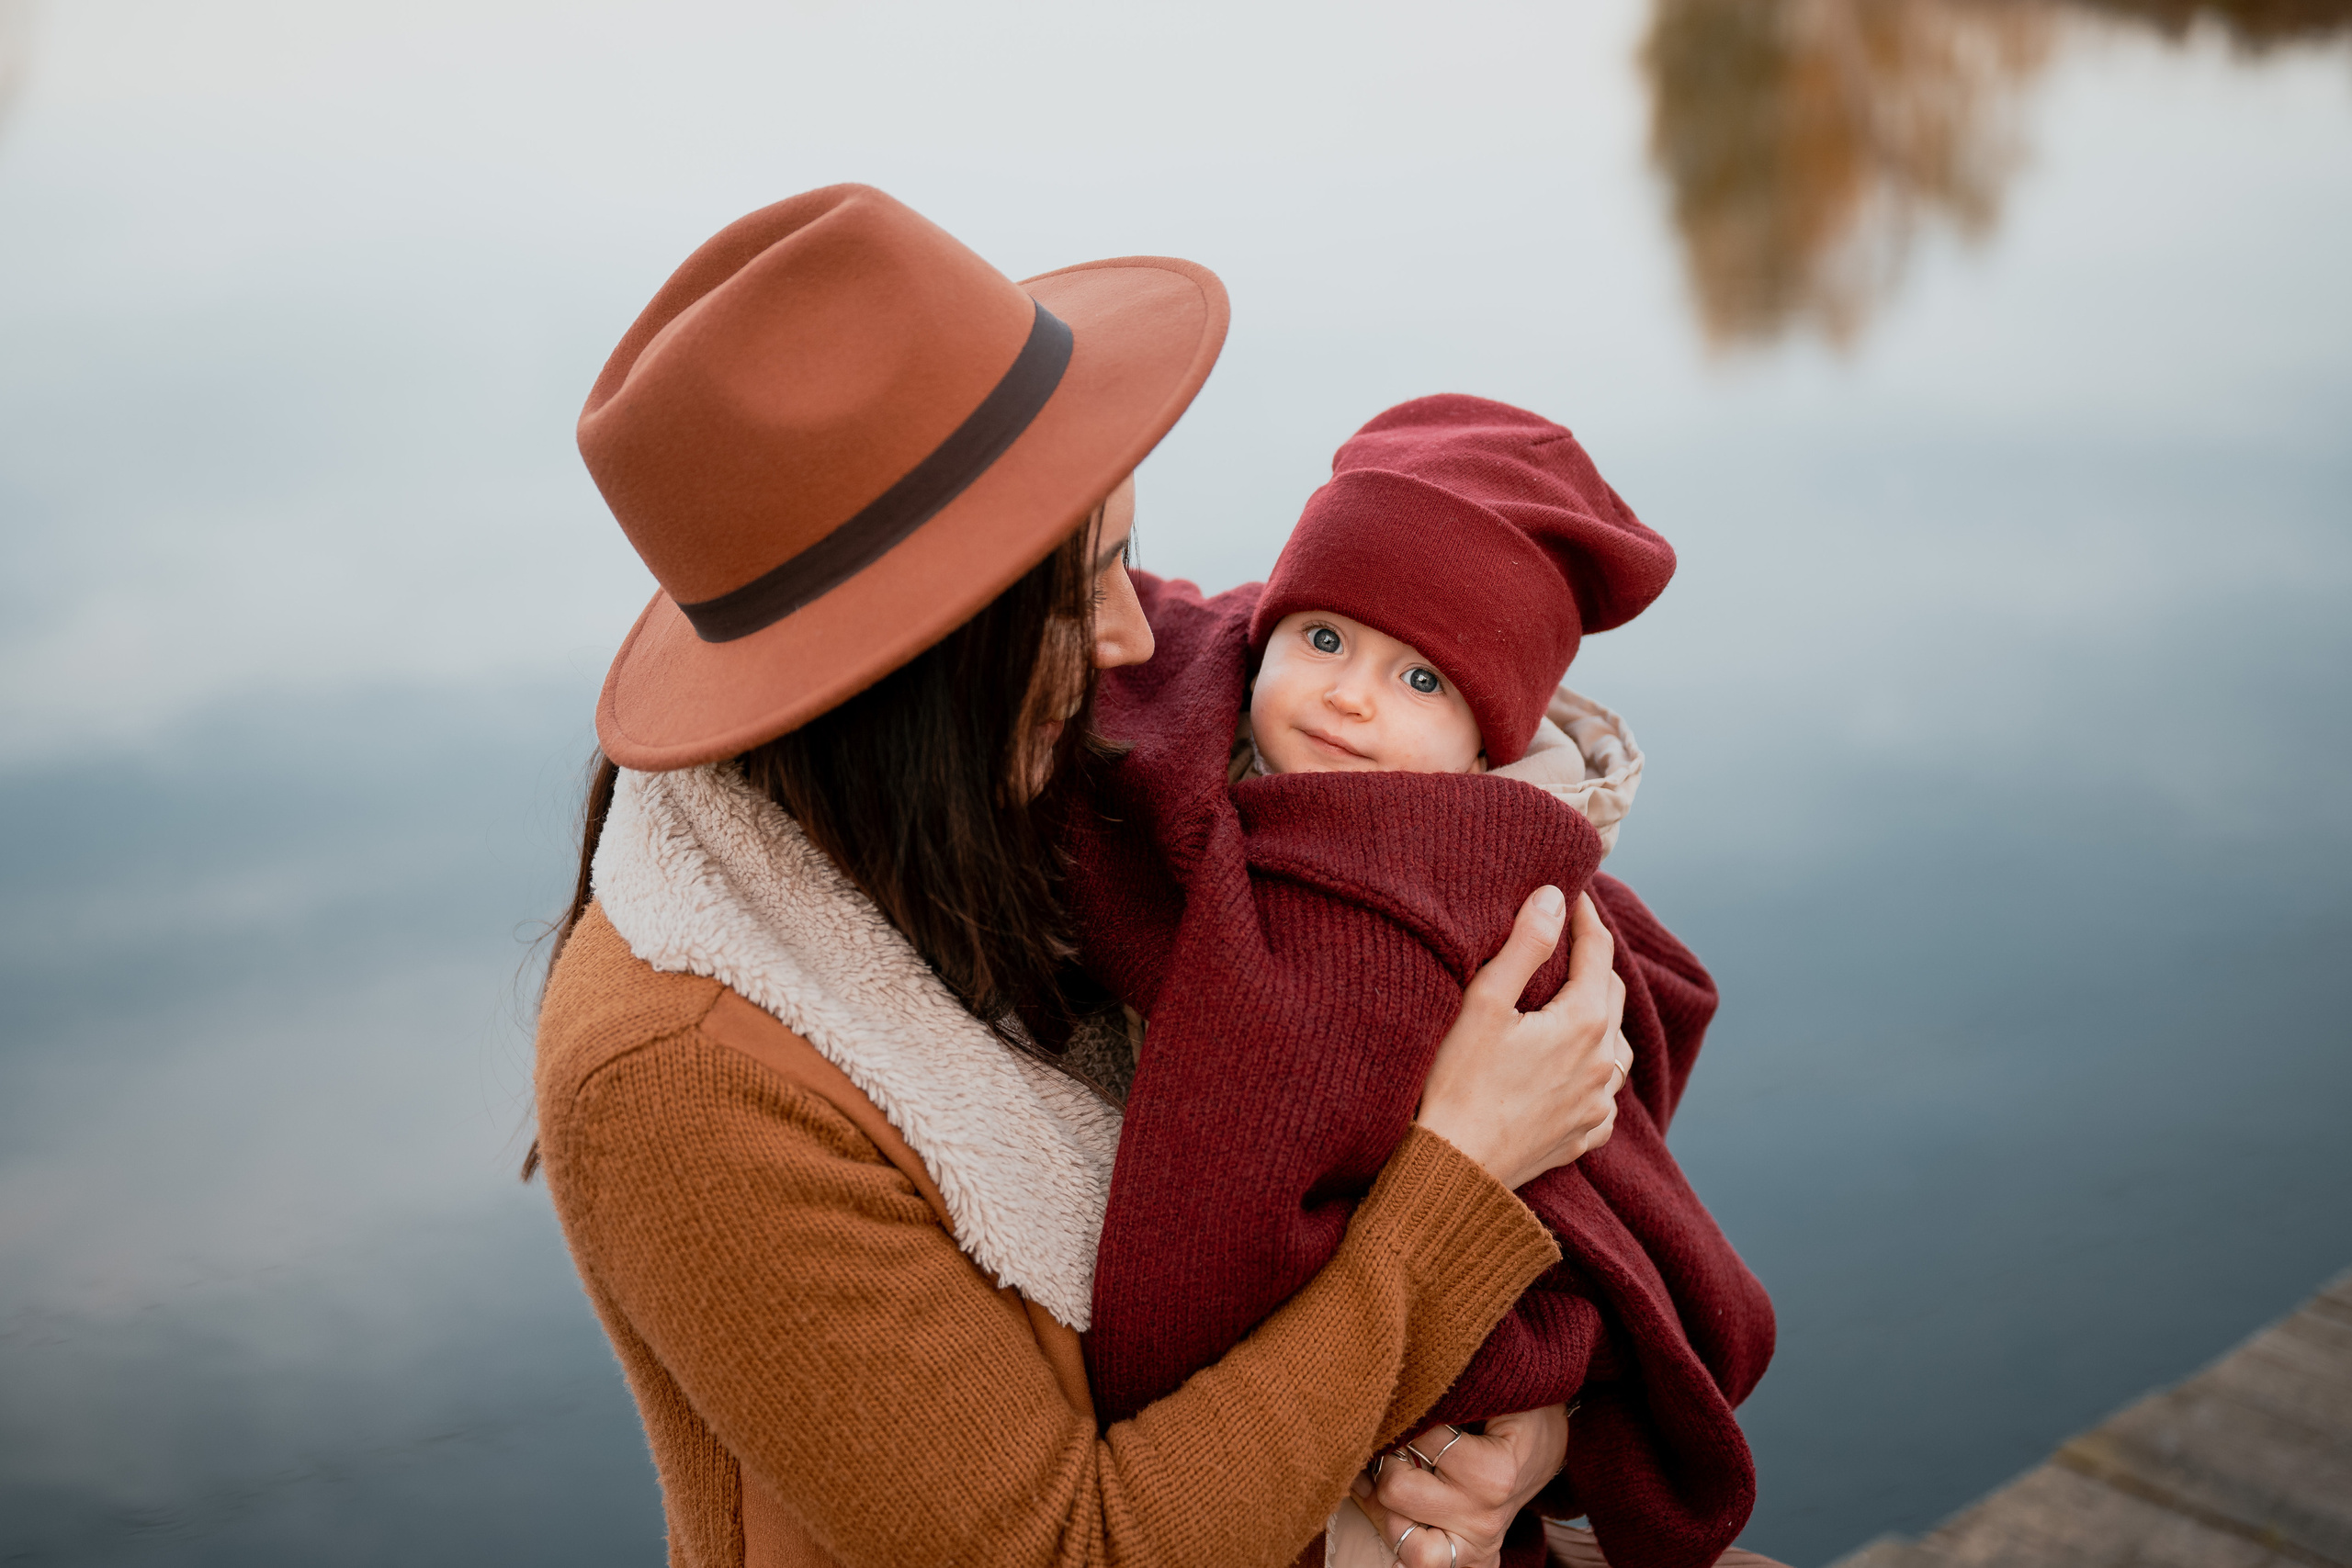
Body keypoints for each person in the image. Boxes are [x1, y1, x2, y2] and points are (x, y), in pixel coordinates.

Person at [530, 184, 1638, 1568]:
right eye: (1081, 588)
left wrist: (1524, 1434)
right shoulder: (683, 1081)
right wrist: (1463, 1176)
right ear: (918, 664)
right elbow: (1076, 1548)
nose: (1137, 636)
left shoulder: (1049, 766)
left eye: (1129, 555)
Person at [1067, 397, 1778, 1568]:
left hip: (1371, 1404)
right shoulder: (1183, 706)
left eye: (1421, 680)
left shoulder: (1430, 898)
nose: (1350, 697)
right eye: (1323, 640)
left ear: (1488, 744)